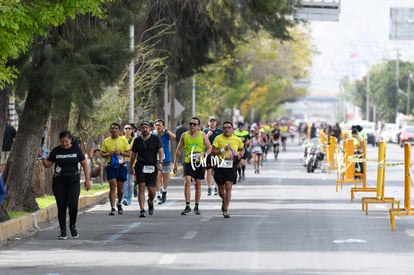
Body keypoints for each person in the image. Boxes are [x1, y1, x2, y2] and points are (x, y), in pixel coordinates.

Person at [41, 131, 91, 240]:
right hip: (59, 182)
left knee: (73, 204)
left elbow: (84, 164)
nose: (64, 144)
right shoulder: (56, 151)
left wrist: (88, 180)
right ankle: (63, 231)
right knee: (61, 206)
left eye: (66, 142)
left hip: (73, 181)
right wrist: (42, 157)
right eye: (62, 142)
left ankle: (72, 225)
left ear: (71, 140)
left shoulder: (76, 149)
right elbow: (48, 165)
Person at [173, 117, 212, 215]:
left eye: (194, 124)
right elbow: (178, 151)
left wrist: (204, 155)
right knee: (187, 182)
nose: (192, 126)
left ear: (198, 126)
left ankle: (197, 206)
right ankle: (187, 205)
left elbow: (209, 148)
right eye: (191, 124)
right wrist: (175, 164)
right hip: (187, 161)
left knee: (197, 183)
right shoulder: (184, 135)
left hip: (199, 162)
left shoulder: (202, 135)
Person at [129, 121, 164, 217]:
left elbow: (161, 152)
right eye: (143, 128)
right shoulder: (137, 140)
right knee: (141, 187)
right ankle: (142, 209)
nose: (144, 129)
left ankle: (150, 201)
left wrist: (160, 163)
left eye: (146, 128)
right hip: (140, 166)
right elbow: (133, 155)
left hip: (152, 166)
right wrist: (131, 166)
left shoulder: (155, 139)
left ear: (150, 129)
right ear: (140, 129)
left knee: (152, 190)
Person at [211, 121, 244, 218]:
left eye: (229, 127)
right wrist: (223, 149)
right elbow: (213, 151)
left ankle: (225, 209)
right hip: (220, 165)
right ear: (222, 129)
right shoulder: (218, 138)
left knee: (229, 186)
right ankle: (224, 200)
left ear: (232, 129)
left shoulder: (237, 139)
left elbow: (242, 149)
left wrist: (240, 154)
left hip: (231, 165)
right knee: (221, 191)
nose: (227, 129)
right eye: (224, 128)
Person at [101, 123, 130, 216]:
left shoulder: (123, 140)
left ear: (119, 130)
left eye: (116, 128)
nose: (114, 130)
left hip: (121, 166)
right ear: (110, 130)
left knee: (120, 189)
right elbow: (102, 153)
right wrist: (109, 154)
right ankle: (112, 207)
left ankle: (119, 203)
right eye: (112, 128)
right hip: (111, 166)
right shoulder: (106, 141)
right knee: (112, 186)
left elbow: (129, 153)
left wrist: (120, 152)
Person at [153, 119, 175, 204]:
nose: (158, 126)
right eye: (157, 125)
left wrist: (167, 130)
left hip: (166, 159)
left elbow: (174, 137)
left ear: (163, 126)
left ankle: (164, 192)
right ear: (154, 126)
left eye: (160, 125)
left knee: (165, 177)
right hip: (155, 159)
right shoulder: (152, 134)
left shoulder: (166, 134)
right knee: (158, 176)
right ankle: (158, 195)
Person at [203, 116, 222, 196]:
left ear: (216, 123)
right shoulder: (205, 131)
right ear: (208, 123)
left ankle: (215, 187)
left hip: (217, 153)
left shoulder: (220, 131)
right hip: (208, 153)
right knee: (208, 170)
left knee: (217, 171)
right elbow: (202, 142)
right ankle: (209, 187)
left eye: (213, 121)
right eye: (211, 121)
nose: (212, 123)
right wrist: (207, 136)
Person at [121, 123, 135, 206]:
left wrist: (125, 150)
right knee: (124, 181)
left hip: (132, 162)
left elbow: (132, 151)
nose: (127, 130)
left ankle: (129, 197)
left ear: (132, 130)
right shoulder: (121, 139)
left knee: (130, 182)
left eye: (129, 128)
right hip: (122, 162)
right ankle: (125, 198)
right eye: (126, 128)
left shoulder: (134, 139)